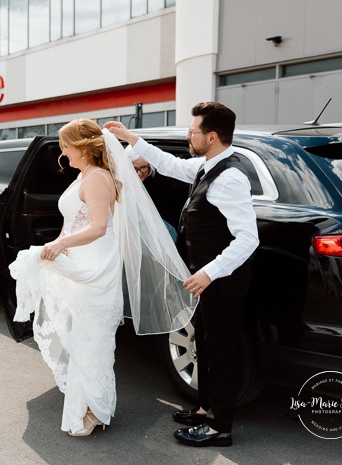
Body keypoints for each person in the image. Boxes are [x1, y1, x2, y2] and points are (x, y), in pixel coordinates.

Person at [10, 119, 195, 437]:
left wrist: (59, 245)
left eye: (65, 146)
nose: (63, 153)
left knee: (94, 340)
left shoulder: (97, 178)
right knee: (81, 339)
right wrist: (62, 242)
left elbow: (97, 226)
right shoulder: (84, 175)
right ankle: (86, 404)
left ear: (82, 147)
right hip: (80, 259)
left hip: (96, 266)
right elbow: (72, 219)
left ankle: (98, 410)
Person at [105, 101, 259, 447]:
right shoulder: (208, 166)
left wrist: (208, 273)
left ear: (213, 136)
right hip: (204, 279)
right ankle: (205, 408)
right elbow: (171, 165)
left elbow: (249, 238)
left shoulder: (230, 177)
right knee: (203, 342)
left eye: (193, 132)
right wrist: (132, 138)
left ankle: (220, 426)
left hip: (221, 281)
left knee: (222, 349)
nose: (189, 136)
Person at [132, 159, 178, 240]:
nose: (139, 173)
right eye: (134, 168)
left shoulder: (161, 183)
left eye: (143, 167)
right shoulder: (119, 185)